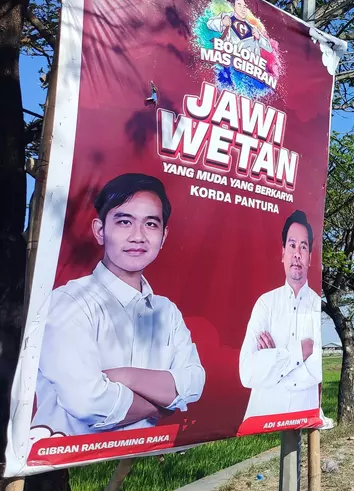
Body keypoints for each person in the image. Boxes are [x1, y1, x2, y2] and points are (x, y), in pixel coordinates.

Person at [31, 173, 205, 437]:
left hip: (138, 461)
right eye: (124, 222)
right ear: (100, 231)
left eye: (151, 224)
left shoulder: (166, 311)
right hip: (70, 460)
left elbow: (194, 383)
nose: (138, 236)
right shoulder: (69, 302)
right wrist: (157, 405)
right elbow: (87, 401)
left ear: (164, 236)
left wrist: (125, 376)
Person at [239, 210, 325, 420]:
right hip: (262, 419)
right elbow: (247, 373)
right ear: (283, 252)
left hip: (302, 414)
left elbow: (315, 372)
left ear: (310, 258)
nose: (297, 253)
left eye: (303, 247)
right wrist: (298, 354)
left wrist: (272, 359)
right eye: (292, 245)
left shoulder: (317, 305)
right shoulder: (265, 304)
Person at [207, 0, 273, 54]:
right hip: (230, 55)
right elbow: (209, 24)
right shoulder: (226, 16)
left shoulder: (252, 27)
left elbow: (269, 48)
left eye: (244, 6)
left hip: (249, 61)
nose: (243, 9)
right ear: (233, 6)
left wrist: (259, 37)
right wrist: (222, 23)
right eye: (239, 5)